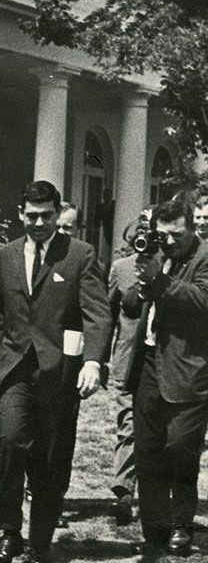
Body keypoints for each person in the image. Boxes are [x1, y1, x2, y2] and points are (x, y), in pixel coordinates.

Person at [0, 180, 112, 563]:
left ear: (57, 215)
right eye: (32, 215)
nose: (39, 222)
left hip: (60, 373)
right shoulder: (3, 256)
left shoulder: (79, 255)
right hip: (15, 368)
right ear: (20, 214)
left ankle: (40, 541)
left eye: (47, 216)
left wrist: (93, 361)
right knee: (10, 442)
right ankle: (9, 534)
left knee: (52, 457)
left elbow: (97, 313)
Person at [121, 199, 208, 559]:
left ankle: (182, 524)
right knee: (149, 451)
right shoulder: (156, 251)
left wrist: (159, 279)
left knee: (180, 449)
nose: (170, 240)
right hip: (149, 367)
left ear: (191, 227)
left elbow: (201, 301)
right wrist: (142, 285)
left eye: (177, 233)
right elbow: (128, 304)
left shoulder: (204, 257)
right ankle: (155, 531)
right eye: (163, 233)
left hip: (189, 369)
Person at [105, 211, 153, 527]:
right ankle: (124, 491)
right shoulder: (121, 270)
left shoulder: (169, 269)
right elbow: (107, 316)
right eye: (141, 229)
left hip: (157, 364)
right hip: (125, 362)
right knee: (129, 425)